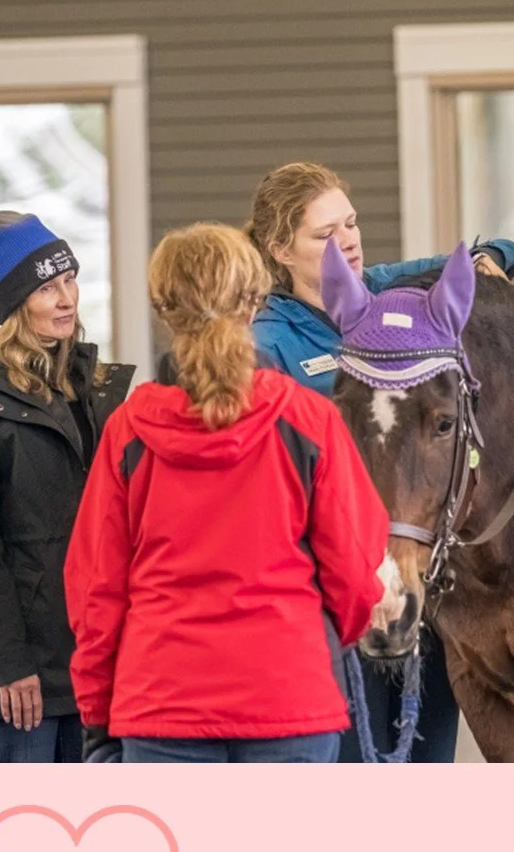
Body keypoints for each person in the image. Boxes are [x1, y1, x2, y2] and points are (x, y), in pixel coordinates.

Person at [65, 224, 391, 763]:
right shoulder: (308, 420)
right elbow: (358, 573)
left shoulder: (128, 431)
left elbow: (95, 590)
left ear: (164, 310)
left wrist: (97, 712)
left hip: (162, 703)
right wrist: (316, 640)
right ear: (255, 302)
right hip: (290, 696)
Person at [245, 161, 514, 762]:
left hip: (417, 579)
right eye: (324, 234)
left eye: (350, 223)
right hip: (331, 600)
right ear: (279, 249)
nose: (346, 241)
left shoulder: (382, 291)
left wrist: (489, 259)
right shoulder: (267, 345)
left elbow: (493, 250)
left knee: (426, 762)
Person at [0, 200, 133, 762]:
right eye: (47, 289)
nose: (67, 299)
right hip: (14, 679)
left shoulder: (92, 389)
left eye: (69, 280)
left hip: (86, 659)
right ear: (15, 303)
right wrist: (10, 665)